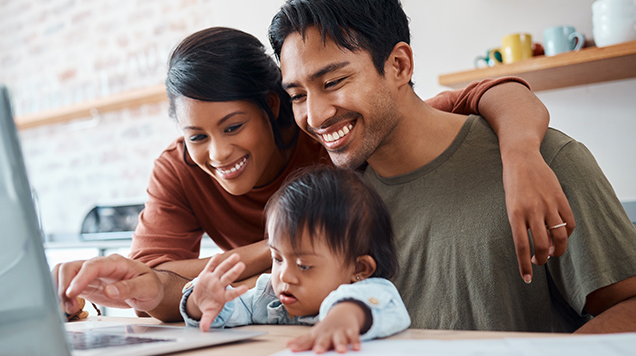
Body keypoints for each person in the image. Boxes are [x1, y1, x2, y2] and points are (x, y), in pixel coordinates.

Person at [53, 26, 571, 322]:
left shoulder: (334, 136)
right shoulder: (180, 167)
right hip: (273, 316)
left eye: (233, 126)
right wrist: (128, 288)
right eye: (197, 135)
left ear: (274, 108)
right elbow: (156, 284)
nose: (217, 151)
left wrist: (522, 153)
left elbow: (487, 92)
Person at [268, 0, 636, 333]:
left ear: (399, 65)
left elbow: (629, 308)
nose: (314, 116)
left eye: (333, 82)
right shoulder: (341, 204)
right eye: (298, 96)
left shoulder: (544, 161)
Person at [181, 166, 410, 354]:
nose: (284, 275)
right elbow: (229, 311)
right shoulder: (269, 296)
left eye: (304, 265)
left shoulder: (370, 293)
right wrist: (200, 304)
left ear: (359, 268)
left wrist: (344, 317)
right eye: (277, 258)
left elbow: (378, 307)